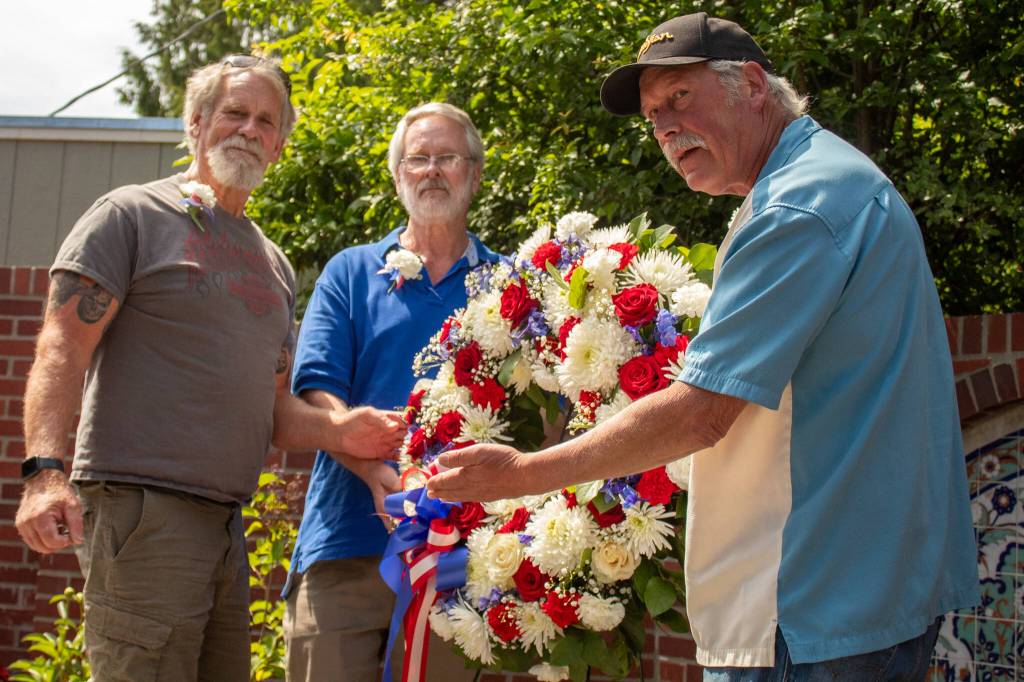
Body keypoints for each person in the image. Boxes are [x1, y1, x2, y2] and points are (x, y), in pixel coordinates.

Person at [427, 12, 980, 681]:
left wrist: (522, 475)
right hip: (852, 594)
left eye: (680, 97)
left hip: (812, 608)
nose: (664, 127)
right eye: (653, 115)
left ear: (754, 84)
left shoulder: (797, 206)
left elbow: (701, 413)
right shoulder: (819, 182)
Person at [14, 56, 405, 682]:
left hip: (225, 524)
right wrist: (43, 473)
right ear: (196, 122)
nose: (249, 130)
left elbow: (275, 410)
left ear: (279, 146)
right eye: (235, 113)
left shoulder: (273, 264)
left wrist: (339, 430)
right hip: (143, 510)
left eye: (266, 121)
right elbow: (62, 345)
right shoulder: (132, 214)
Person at [282, 102, 500, 681]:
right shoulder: (350, 272)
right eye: (417, 159)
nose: (432, 171)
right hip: (344, 545)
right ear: (398, 175)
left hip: (460, 561)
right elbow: (316, 393)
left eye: (447, 157)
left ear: (475, 173)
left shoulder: (509, 286)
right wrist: (372, 470)